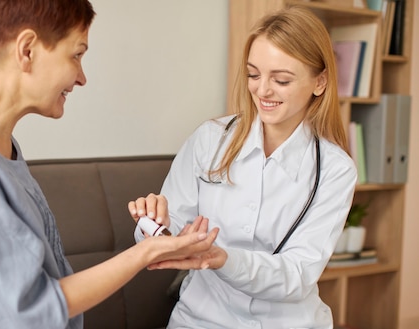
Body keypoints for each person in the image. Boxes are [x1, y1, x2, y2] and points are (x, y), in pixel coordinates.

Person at [0, 1, 219, 328]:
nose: (82, 77)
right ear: (27, 50)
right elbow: (27, 312)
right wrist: (145, 253)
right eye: (76, 55)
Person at [128, 6, 357, 329]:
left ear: (319, 82)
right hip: (200, 321)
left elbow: (296, 275)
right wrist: (154, 224)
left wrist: (224, 260)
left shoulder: (334, 170)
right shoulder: (210, 140)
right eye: (253, 74)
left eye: (281, 79)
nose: (262, 90)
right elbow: (167, 236)